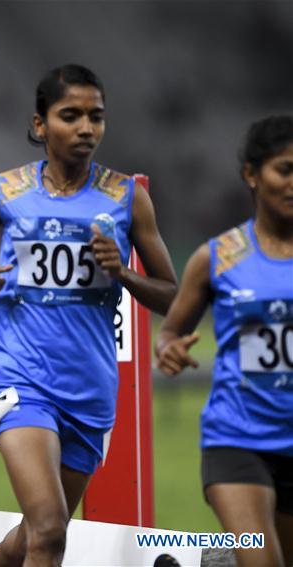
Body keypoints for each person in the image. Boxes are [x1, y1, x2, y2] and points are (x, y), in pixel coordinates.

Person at [0, 64, 177, 567]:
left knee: (38, 530)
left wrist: (125, 274)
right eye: (70, 115)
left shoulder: (126, 198)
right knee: (51, 531)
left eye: (95, 117)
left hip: (90, 388)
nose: (85, 128)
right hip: (21, 375)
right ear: (39, 125)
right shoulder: (6, 190)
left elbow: (171, 297)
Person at [156, 115, 293, 567]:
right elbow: (172, 331)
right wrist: (170, 349)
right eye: (285, 170)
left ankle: (214, 563)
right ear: (252, 175)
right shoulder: (217, 257)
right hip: (237, 439)